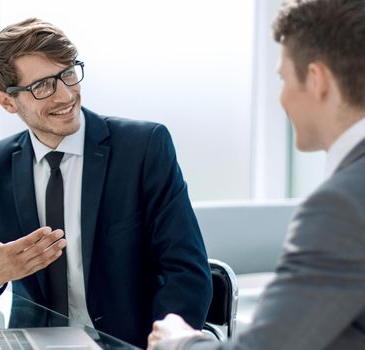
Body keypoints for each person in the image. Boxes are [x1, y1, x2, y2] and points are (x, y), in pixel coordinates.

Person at [0, 18, 212, 348]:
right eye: (42, 86)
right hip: (34, 342)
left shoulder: (143, 148)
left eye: (68, 73)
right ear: (7, 101)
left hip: (124, 343)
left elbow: (187, 275)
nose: (66, 95)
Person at [147, 0, 365, 349]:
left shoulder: (340, 207)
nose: (281, 98)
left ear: (316, 78)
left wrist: (180, 341)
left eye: (282, 78)